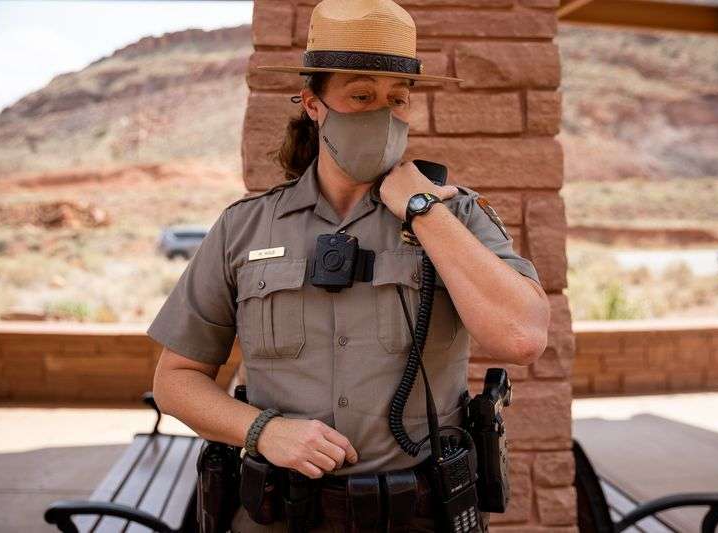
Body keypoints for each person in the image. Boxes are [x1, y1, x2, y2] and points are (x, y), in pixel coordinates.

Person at [147, 0, 550, 531]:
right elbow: (176, 380)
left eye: (397, 99)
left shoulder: (457, 216)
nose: (382, 114)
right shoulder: (244, 228)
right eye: (360, 95)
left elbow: (522, 338)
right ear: (314, 104)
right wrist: (262, 430)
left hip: (415, 516)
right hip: (276, 515)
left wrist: (424, 211)